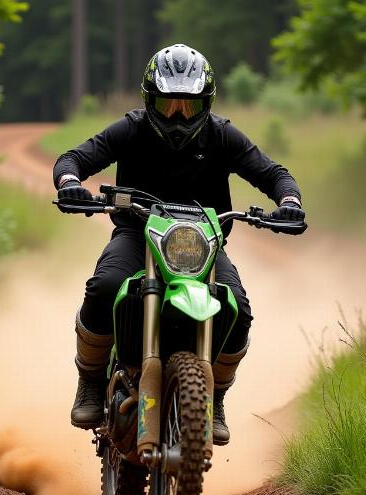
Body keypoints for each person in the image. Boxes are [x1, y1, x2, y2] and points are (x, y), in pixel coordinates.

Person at [53, 43, 304, 445]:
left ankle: (215, 394)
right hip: (137, 233)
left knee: (237, 309)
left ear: (206, 103)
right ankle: (89, 379)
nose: (177, 116)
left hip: (203, 242)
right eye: (168, 105)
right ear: (149, 100)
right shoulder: (131, 128)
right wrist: (70, 183)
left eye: (187, 106)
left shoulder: (222, 135)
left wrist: (289, 202)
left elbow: (273, 173)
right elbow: (74, 159)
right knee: (103, 287)